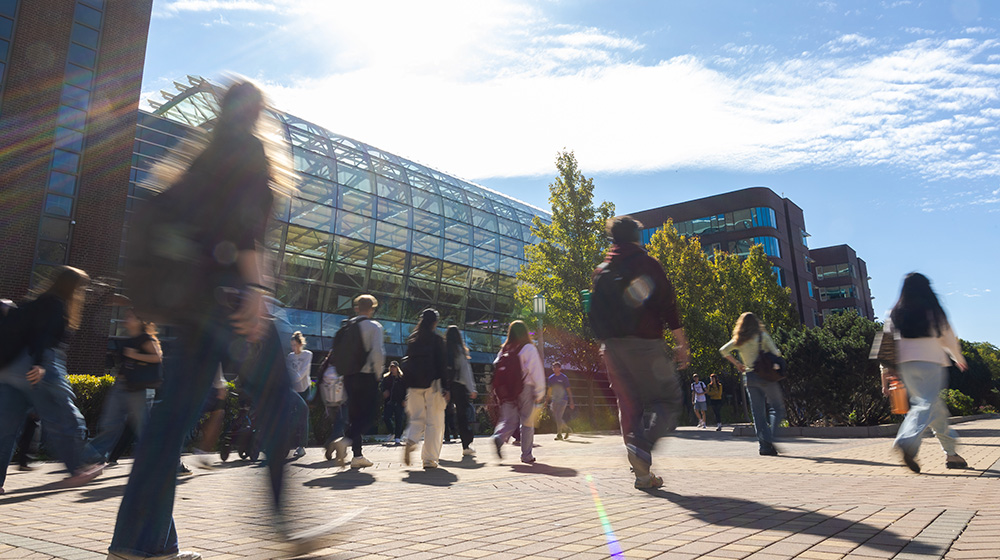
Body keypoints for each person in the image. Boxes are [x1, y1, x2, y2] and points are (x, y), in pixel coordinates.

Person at [107, 81, 308, 560]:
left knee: (169, 423)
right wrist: (257, 292)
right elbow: (246, 233)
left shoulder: (198, 158)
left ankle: (139, 544)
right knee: (280, 403)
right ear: (260, 112)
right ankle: (284, 527)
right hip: (233, 301)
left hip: (190, 308)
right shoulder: (251, 150)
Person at [590, 216, 689, 490]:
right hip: (645, 342)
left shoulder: (601, 270)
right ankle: (642, 446)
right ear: (636, 236)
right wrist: (680, 342)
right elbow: (667, 303)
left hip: (610, 346)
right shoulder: (647, 263)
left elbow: (593, 312)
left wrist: (605, 344)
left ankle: (643, 476)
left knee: (628, 405)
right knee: (668, 399)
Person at [0, 266, 105, 496]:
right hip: (36, 367)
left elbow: (11, 319)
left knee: (4, 429)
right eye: (82, 288)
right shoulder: (56, 304)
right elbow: (44, 335)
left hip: (8, 371)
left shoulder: (34, 302)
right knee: (63, 416)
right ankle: (79, 467)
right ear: (73, 287)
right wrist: (38, 363)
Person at [881, 272, 968, 473]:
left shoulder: (894, 313)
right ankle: (907, 442)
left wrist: (886, 374)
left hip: (906, 366)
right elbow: (949, 337)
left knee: (934, 407)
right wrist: (958, 358)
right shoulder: (934, 312)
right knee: (925, 403)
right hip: (931, 363)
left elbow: (886, 346)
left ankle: (952, 454)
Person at [86, 308, 162, 464]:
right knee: (109, 424)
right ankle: (90, 458)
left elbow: (157, 357)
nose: (126, 319)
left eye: (130, 316)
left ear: (140, 321)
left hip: (138, 389)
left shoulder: (145, 338)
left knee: (143, 428)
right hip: (121, 386)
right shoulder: (128, 339)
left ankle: (165, 463)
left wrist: (134, 355)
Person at [330, 294, 385, 469]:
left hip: (349, 375)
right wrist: (378, 373)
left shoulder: (348, 326)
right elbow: (377, 353)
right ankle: (346, 441)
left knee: (354, 415)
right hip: (366, 375)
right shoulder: (374, 326)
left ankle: (357, 455)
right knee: (369, 415)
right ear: (372, 309)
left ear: (356, 308)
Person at [720, 312, 784, 456]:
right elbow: (776, 353)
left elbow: (723, 350)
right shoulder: (762, 336)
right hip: (766, 376)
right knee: (777, 408)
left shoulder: (739, 340)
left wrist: (737, 363)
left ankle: (764, 447)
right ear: (756, 323)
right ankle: (770, 438)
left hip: (749, 377)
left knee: (758, 414)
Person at [490, 320, 545, 464]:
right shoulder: (528, 348)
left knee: (508, 420)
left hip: (507, 390)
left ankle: (498, 437)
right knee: (527, 421)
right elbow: (536, 372)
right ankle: (526, 455)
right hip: (525, 388)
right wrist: (540, 392)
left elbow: (496, 368)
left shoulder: (505, 349)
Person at [402, 308, 449, 469]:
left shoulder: (413, 339)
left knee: (417, 419)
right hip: (433, 385)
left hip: (413, 385)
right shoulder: (437, 340)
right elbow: (443, 365)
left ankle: (411, 440)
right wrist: (446, 387)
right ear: (435, 322)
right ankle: (429, 459)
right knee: (434, 423)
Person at [446, 325, 478, 456]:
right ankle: (466, 445)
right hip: (458, 385)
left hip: (444, 385)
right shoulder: (459, 350)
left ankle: (433, 446)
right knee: (462, 415)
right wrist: (472, 389)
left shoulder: (443, 349)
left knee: (441, 415)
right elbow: (466, 371)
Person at [286, 331, 313, 459]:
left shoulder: (307, 355)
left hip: (304, 389)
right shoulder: (289, 357)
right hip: (293, 391)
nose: (294, 348)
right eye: (292, 345)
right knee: (291, 417)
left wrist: (294, 377)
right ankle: (289, 443)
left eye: (295, 345)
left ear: (300, 344)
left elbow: (303, 372)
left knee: (303, 416)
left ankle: (301, 446)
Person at [380, 361, 406, 445]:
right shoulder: (386, 378)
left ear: (397, 368)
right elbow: (382, 387)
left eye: (394, 367)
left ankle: (397, 438)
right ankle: (392, 432)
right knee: (386, 417)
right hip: (389, 401)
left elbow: (406, 389)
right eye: (391, 367)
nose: (393, 369)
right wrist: (384, 392)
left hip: (399, 401)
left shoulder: (402, 378)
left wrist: (405, 399)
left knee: (399, 419)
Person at [547, 362, 575, 440]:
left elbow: (568, 389)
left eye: (556, 367)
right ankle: (567, 429)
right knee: (557, 418)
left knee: (559, 417)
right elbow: (549, 390)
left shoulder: (564, 378)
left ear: (560, 368)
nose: (555, 369)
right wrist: (546, 401)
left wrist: (571, 401)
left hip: (563, 400)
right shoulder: (551, 378)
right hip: (554, 400)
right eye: (553, 367)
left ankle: (559, 434)